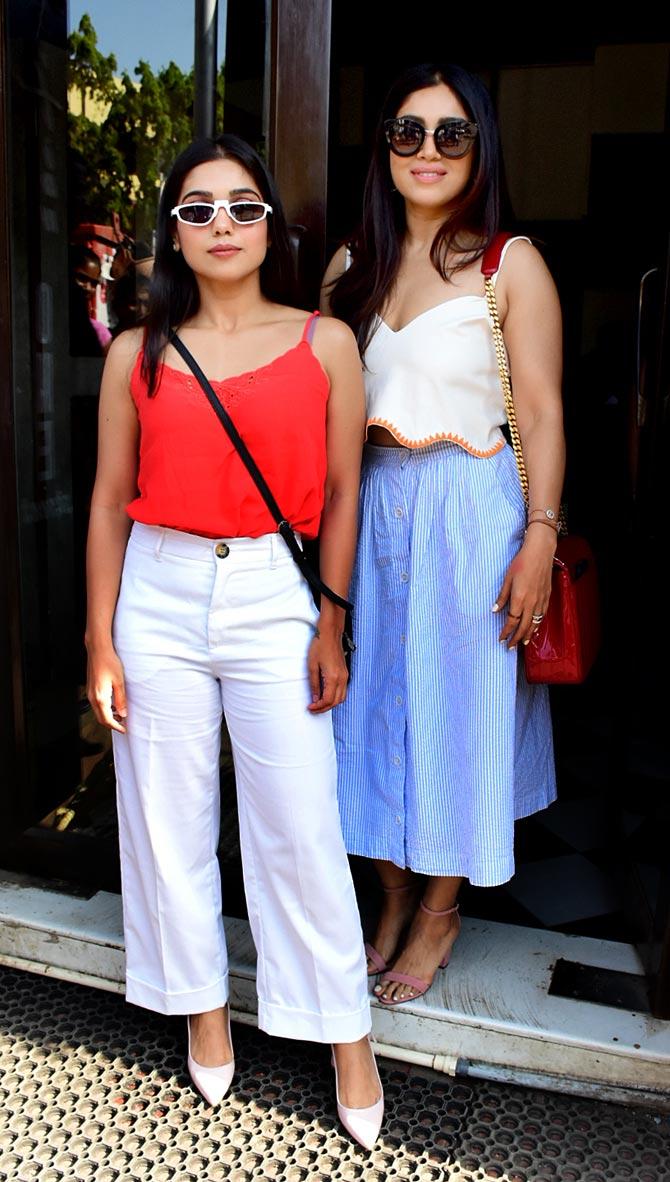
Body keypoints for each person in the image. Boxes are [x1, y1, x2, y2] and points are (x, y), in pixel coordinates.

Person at [85, 133, 383, 1147]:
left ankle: (345, 1031)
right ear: (172, 230)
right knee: (166, 818)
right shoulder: (138, 351)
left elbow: (344, 494)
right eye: (199, 207)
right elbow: (109, 503)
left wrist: (331, 621)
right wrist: (99, 637)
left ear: (272, 226)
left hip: (272, 586)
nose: (222, 223)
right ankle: (203, 1009)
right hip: (158, 587)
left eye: (242, 205)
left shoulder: (323, 342)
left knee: (297, 823)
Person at [322, 63, 564, 1006]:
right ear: (384, 148)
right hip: (372, 503)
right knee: (367, 706)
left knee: (459, 710)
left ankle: (438, 912)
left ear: (480, 148)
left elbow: (541, 412)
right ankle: (389, 893)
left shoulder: (510, 262)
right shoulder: (352, 265)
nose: (428, 151)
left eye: (451, 134)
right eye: (408, 133)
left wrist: (539, 535)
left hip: (471, 506)